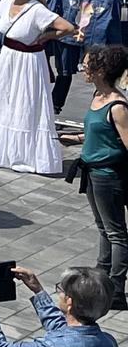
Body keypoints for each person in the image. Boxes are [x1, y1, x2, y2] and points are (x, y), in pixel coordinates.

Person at [0, 0, 82, 175]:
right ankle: (5, 152)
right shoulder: (5, 2)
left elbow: (69, 27)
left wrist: (47, 36)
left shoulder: (37, 10)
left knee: (27, 104)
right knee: (6, 101)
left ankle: (29, 156)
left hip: (29, 62)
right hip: (8, 58)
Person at [64, 46, 128, 309]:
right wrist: (77, 138)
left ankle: (115, 289)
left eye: (87, 64)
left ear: (101, 70)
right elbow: (101, 133)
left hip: (108, 177)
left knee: (116, 233)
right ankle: (101, 275)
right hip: (91, 173)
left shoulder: (118, 105)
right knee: (103, 228)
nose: (82, 68)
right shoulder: (97, 96)